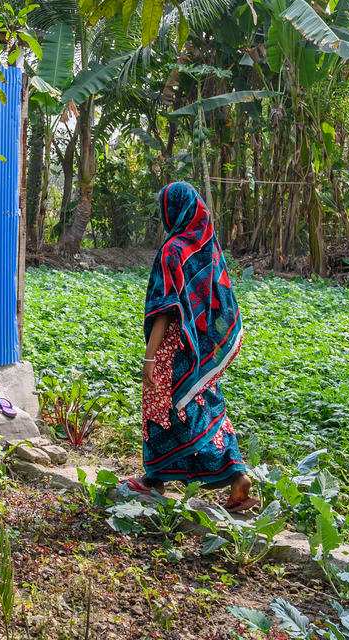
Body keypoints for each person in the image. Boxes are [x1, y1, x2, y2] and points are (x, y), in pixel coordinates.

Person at [121, 181, 256, 511]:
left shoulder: (173, 250)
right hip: (202, 350)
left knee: (164, 412)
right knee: (206, 406)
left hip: (174, 349)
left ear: (174, 209)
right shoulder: (206, 247)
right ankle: (237, 475)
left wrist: (151, 358)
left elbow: (164, 310)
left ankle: (154, 480)